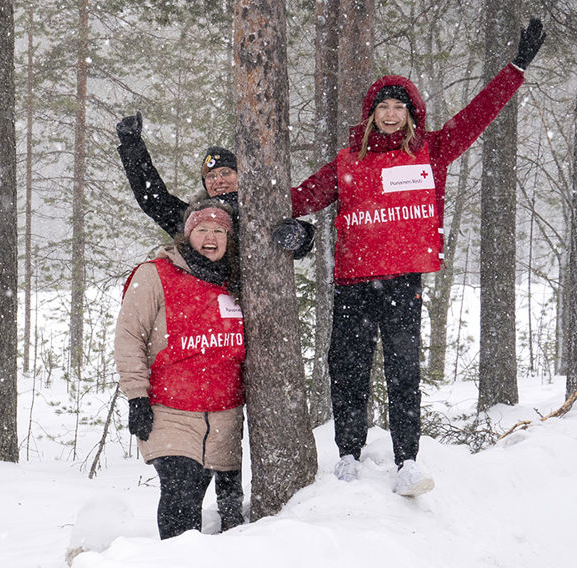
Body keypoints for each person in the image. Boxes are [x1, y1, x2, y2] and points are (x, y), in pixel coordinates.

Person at [289, 18, 545, 497]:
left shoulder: (431, 152)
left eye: (397, 107)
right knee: (346, 370)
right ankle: (348, 454)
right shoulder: (347, 162)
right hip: (352, 284)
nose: (389, 115)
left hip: (403, 282)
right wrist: (241, 199)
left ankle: (407, 461)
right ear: (370, 114)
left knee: (403, 373)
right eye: (382, 107)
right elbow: (299, 198)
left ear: (411, 114)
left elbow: (477, 115)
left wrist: (515, 68)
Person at [114, 200, 246, 539]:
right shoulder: (155, 273)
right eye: (202, 229)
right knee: (180, 493)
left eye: (219, 230)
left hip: (224, 417)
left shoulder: (239, 281)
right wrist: (136, 397)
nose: (211, 237)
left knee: (212, 506)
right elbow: (129, 337)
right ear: (187, 236)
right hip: (170, 412)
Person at [115, 114, 314, 259]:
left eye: (226, 173)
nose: (218, 180)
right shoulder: (193, 218)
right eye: (210, 176)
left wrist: (299, 235)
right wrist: (132, 146)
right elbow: (153, 198)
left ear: (240, 176)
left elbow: (300, 238)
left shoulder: (260, 207)